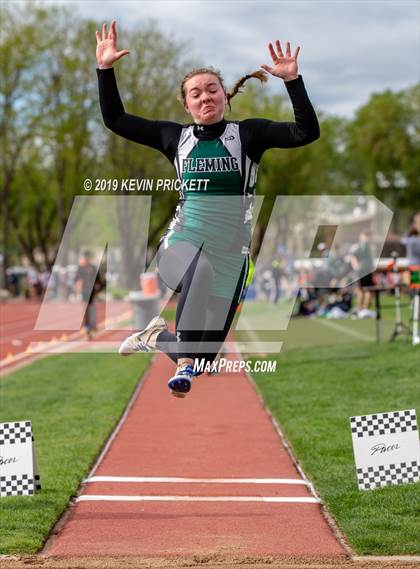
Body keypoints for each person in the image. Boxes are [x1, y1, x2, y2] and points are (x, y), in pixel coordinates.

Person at [96, 20, 320, 397]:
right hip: (180, 245)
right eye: (195, 94)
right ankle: (182, 362)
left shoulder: (248, 135)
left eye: (212, 90)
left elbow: (305, 133)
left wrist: (292, 83)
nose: (205, 98)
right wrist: (105, 70)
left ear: (225, 97)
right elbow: (115, 120)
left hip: (232, 257)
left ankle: (157, 337)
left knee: (204, 358)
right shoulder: (175, 137)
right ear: (186, 104)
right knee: (198, 270)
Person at [74, 251, 104, 339]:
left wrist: (98, 286)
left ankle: (93, 325)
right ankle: (87, 327)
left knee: (92, 309)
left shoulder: (93, 267)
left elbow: (98, 279)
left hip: (92, 291)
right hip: (84, 292)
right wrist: (78, 284)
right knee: (85, 309)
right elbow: (76, 279)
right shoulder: (81, 268)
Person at [348, 230, 375, 318]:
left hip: (365, 270)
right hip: (364, 270)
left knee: (364, 290)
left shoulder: (365, 245)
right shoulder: (362, 245)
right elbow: (353, 255)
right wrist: (356, 267)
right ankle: (362, 310)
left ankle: (362, 310)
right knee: (365, 290)